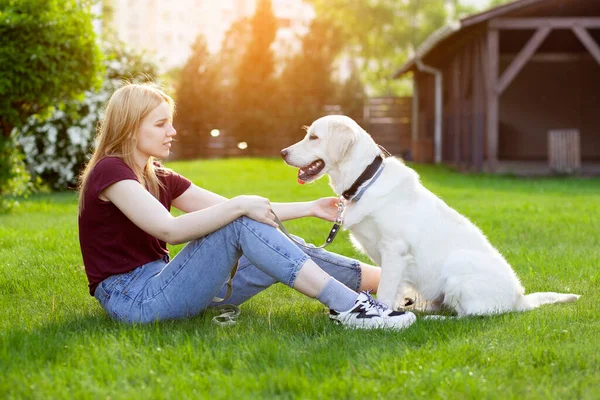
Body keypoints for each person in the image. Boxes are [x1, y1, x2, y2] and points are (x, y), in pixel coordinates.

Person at [77, 83, 416, 330]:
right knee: (239, 220)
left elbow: (238, 210)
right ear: (131, 128)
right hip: (134, 298)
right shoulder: (111, 171)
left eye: (170, 122)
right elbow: (169, 230)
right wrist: (239, 207)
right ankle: (350, 308)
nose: (172, 131)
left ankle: (401, 287)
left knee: (264, 236)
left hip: (167, 284)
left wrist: (310, 207)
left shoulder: (159, 176)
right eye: (160, 123)